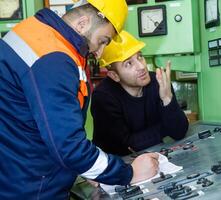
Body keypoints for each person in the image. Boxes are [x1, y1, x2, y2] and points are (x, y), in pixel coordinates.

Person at [0, 1, 159, 199]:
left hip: (16, 172)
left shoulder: (35, 32)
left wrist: (88, 167)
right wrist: (130, 173)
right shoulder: (54, 57)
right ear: (83, 23)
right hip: (32, 187)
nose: (99, 53)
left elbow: (36, 123)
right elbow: (68, 146)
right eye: (102, 41)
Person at [91, 31, 189, 156]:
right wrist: (165, 127)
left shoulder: (158, 82)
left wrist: (167, 99)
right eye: (129, 63)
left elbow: (179, 131)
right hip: (116, 166)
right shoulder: (103, 97)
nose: (141, 67)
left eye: (139, 57)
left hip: (155, 156)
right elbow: (125, 146)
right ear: (114, 75)